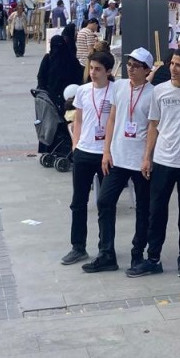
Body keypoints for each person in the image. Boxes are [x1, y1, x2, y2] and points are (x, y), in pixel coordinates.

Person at [128, 47, 180, 278]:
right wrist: (147, 157)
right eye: (172, 63)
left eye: (179, 65)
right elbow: (153, 125)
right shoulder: (159, 91)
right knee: (156, 211)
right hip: (162, 160)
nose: (173, 68)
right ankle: (153, 257)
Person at [90, 48, 155, 273]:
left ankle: (138, 253)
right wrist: (106, 151)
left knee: (143, 209)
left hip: (140, 160)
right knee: (105, 201)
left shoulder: (152, 93)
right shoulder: (119, 87)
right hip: (118, 156)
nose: (130, 68)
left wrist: (148, 157)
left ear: (147, 70)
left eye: (136, 66)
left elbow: (153, 128)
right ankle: (106, 252)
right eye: (129, 64)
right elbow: (112, 119)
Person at [61, 51, 117, 266]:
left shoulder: (115, 90)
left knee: (106, 203)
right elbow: (79, 120)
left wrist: (109, 150)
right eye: (90, 68)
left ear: (108, 71)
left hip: (106, 154)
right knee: (78, 202)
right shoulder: (83, 91)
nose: (92, 73)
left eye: (97, 69)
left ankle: (106, 247)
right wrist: (75, 145)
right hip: (84, 151)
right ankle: (78, 246)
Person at [37, 35, 82, 112]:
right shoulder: (72, 59)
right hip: (64, 97)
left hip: (60, 97)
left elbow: (41, 77)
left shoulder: (48, 59)